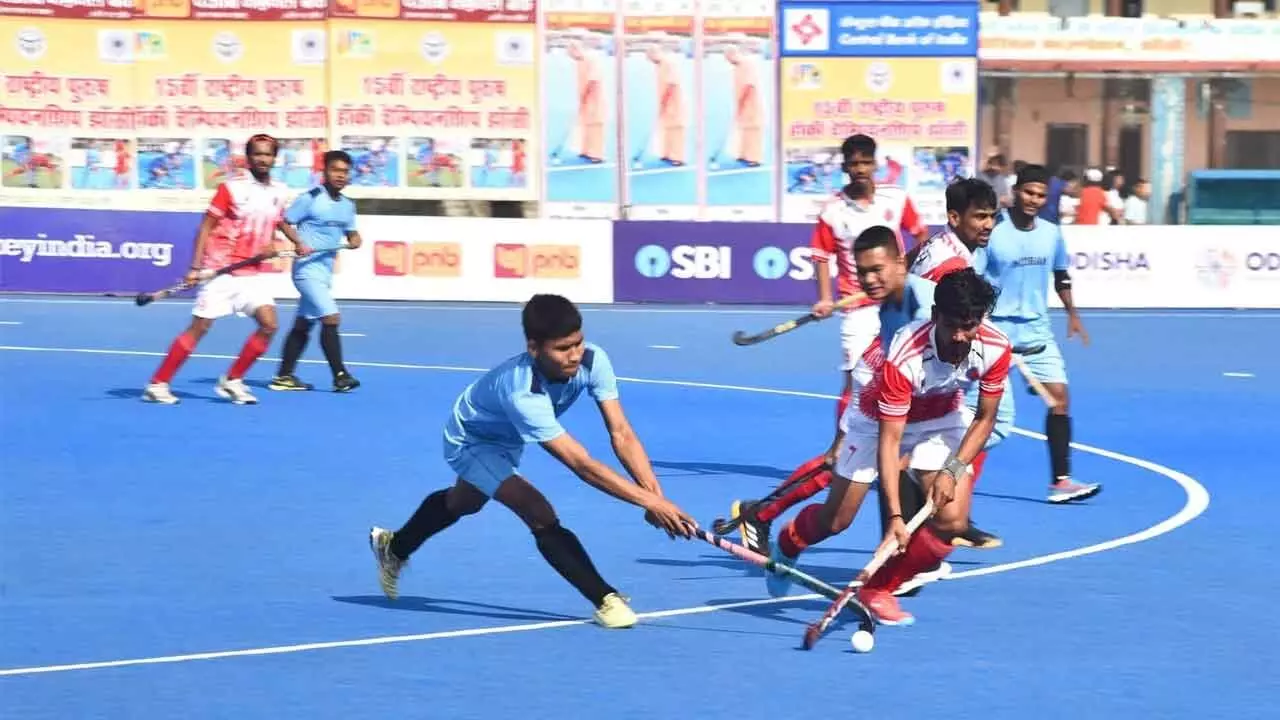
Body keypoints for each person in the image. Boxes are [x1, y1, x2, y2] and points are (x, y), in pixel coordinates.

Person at [368, 294, 695, 629]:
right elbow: (581, 464)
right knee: (537, 511)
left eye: (578, 343)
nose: (574, 355)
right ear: (534, 348)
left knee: (464, 502)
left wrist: (655, 497)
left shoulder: (594, 359)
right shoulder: (522, 393)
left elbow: (622, 433)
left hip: (508, 436)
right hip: (472, 440)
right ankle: (606, 599)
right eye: (562, 348)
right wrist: (651, 502)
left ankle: (393, 546)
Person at [769, 268, 1012, 626]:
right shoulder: (905, 354)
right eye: (951, 326)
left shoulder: (995, 347)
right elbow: (890, 440)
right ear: (935, 316)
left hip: (940, 415)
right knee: (836, 520)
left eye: (969, 326)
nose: (960, 337)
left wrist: (952, 470)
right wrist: (896, 518)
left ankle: (878, 589)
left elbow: (985, 418)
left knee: (952, 521)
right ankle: (790, 541)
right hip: (874, 415)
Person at [725, 134, 928, 556]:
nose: (860, 169)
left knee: (892, 439)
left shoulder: (896, 198)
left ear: (875, 164)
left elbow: (920, 236)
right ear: (845, 167)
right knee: (853, 437)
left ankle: (903, 546)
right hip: (859, 317)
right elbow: (821, 256)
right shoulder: (833, 210)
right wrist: (823, 297)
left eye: (866, 162)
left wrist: (904, 274)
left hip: (895, 306)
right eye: (853, 163)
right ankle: (763, 513)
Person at [142, 134, 308, 405]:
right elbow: (205, 227)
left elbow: (277, 220)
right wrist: (195, 266)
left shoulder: (279, 191)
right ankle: (158, 384)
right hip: (221, 270)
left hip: (251, 273)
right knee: (200, 327)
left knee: (269, 325)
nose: (263, 159)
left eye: (268, 154)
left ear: (274, 158)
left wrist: (296, 242)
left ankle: (233, 380)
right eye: (257, 154)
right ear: (249, 157)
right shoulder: (231, 188)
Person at [984, 164, 1100, 504]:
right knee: (991, 420)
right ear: (1015, 191)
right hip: (995, 335)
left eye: (1040, 195)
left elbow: (1061, 275)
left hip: (1037, 333)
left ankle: (1060, 482)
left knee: (1060, 402)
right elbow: (973, 278)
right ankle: (933, 465)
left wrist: (1073, 315)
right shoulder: (993, 231)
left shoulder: (1051, 233)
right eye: (1028, 192)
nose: (1034, 200)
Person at [907, 178, 1010, 549]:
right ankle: (944, 502)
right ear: (954, 217)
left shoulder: (943, 243)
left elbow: (908, 264)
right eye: (980, 217)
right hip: (935, 358)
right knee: (995, 421)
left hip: (937, 352)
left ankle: (949, 501)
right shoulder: (951, 262)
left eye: (992, 217)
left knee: (979, 424)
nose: (988, 225)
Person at [270, 150, 363, 393]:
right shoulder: (310, 198)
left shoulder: (348, 206)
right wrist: (298, 242)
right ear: (325, 172)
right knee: (331, 317)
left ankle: (283, 376)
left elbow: (351, 233)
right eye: (335, 170)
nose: (340, 176)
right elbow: (283, 221)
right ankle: (340, 376)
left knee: (303, 324)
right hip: (306, 271)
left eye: (345, 172)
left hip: (325, 272)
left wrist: (355, 239)